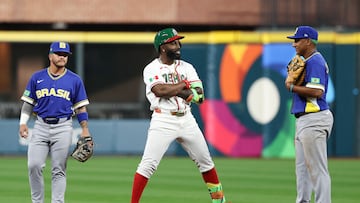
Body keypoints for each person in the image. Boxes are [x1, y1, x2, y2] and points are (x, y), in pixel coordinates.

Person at [130, 28, 228, 203]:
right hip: (163, 119)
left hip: (186, 118)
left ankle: (219, 201)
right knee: (147, 165)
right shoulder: (151, 68)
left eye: (178, 41)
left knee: (206, 162)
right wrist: (183, 86)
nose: (178, 45)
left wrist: (177, 90)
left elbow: (198, 96)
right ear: (162, 47)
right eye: (173, 42)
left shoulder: (187, 67)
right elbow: (160, 91)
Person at [19, 41, 91, 203]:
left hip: (64, 126)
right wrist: (23, 123)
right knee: (34, 165)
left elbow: (80, 108)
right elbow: (28, 103)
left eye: (65, 55)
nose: (62, 57)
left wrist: (85, 129)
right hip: (41, 125)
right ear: (50, 56)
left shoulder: (75, 80)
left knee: (59, 170)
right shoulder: (37, 77)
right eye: (59, 53)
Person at [285, 26, 334, 203]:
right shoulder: (307, 61)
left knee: (317, 169)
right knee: (302, 170)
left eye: (297, 40)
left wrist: (291, 87)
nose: (294, 44)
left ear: (308, 41)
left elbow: (317, 92)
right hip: (305, 120)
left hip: (315, 119)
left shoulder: (315, 61)